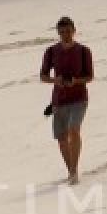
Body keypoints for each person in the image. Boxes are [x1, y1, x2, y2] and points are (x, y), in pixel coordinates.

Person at [40, 16, 93, 185]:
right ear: (58, 33)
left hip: (79, 99)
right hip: (59, 101)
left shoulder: (84, 51)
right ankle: (71, 171)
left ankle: (74, 171)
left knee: (73, 130)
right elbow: (43, 76)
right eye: (62, 32)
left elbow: (90, 76)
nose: (65, 35)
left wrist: (75, 81)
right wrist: (57, 80)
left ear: (74, 30)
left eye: (68, 31)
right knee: (62, 138)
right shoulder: (51, 51)